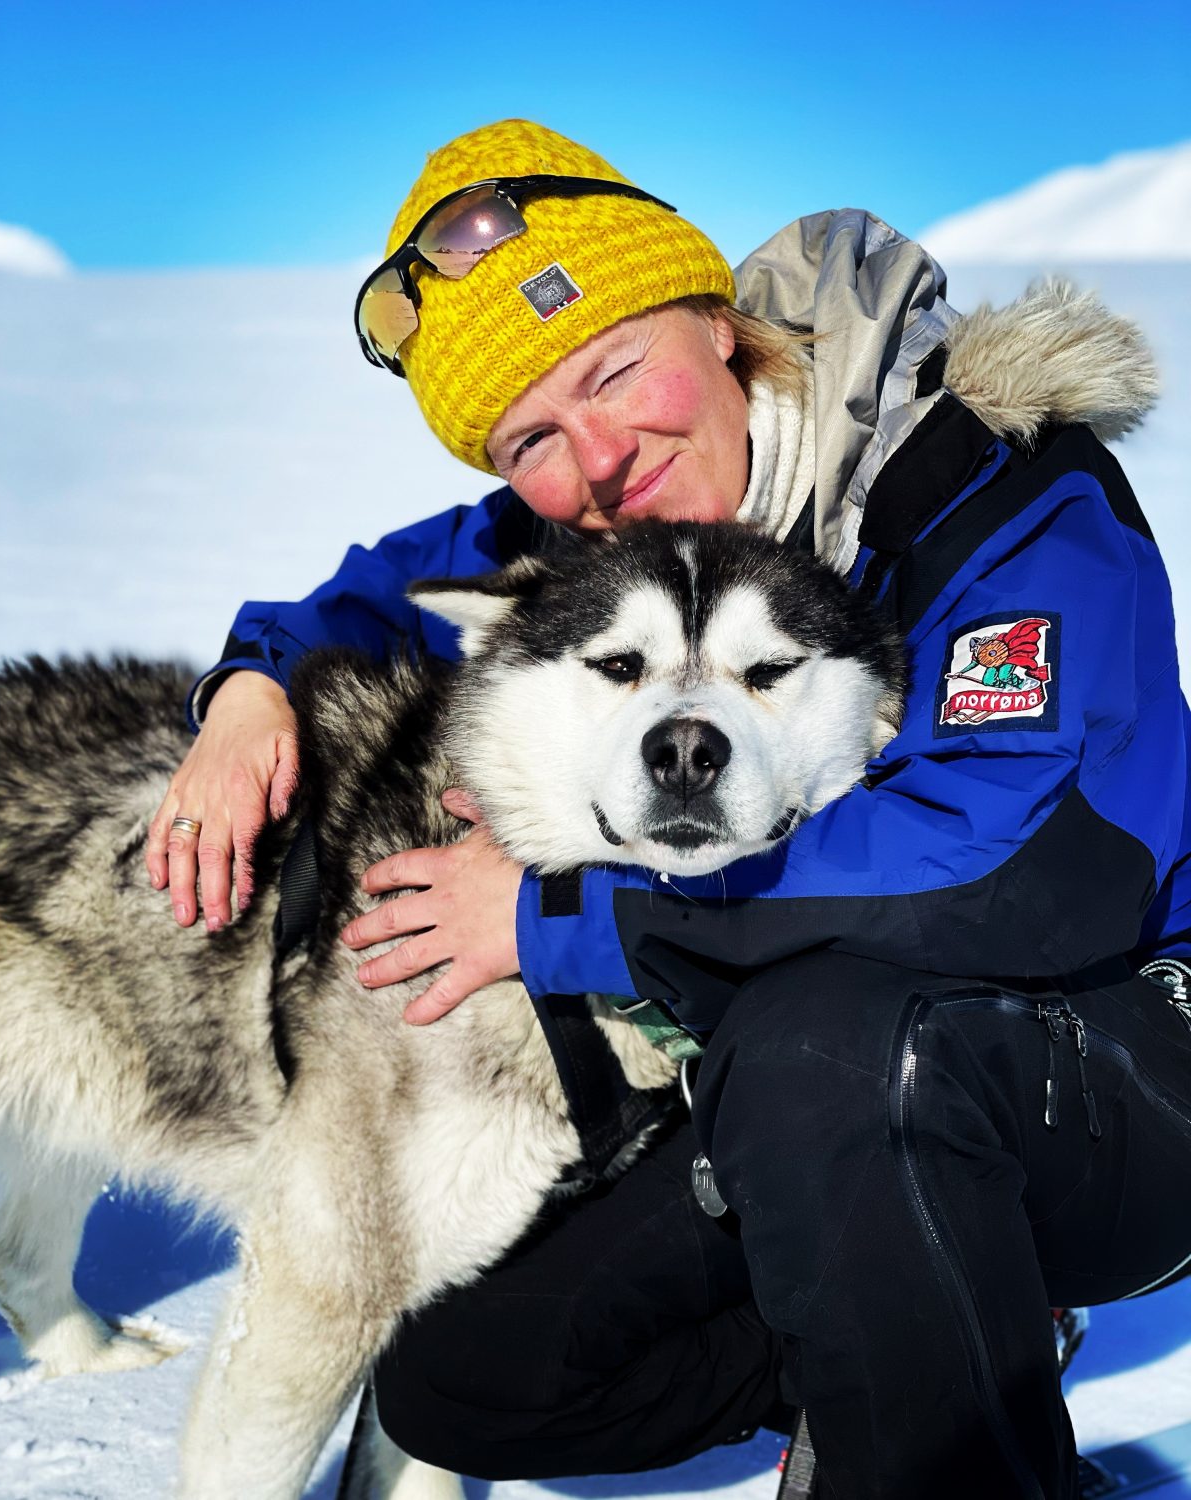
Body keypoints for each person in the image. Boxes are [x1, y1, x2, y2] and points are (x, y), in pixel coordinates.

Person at [146, 120, 1191, 1499]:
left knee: (830, 1039)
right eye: (532, 438)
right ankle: (905, 1337)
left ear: (718, 321)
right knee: (467, 1376)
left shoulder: (990, 488)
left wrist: (565, 919)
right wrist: (249, 687)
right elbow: (369, 593)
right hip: (811, 1078)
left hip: (1114, 1066)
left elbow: (1010, 874)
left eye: (614, 371)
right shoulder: (599, 535)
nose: (600, 456)